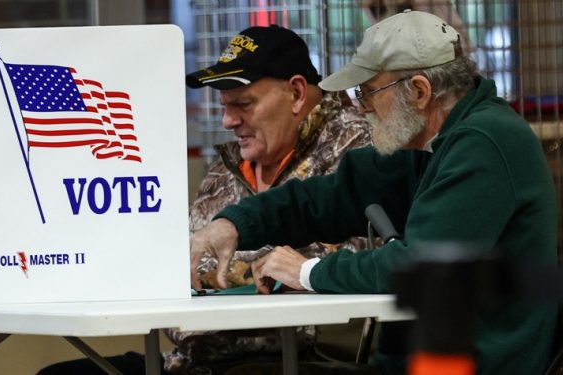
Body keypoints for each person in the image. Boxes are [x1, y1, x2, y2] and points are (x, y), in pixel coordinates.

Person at [190, 10, 557, 375]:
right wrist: (233, 225)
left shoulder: (484, 143)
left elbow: (424, 268)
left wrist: (307, 272)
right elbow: (326, 197)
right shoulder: (428, 143)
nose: (360, 106)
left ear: (418, 91)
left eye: (367, 92)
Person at [39, 25, 372, 375]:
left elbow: (330, 268)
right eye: (225, 106)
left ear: (296, 93)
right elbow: (185, 263)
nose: (228, 120)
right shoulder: (228, 166)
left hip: (291, 360)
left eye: (243, 104)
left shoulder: (355, 148)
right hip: (192, 361)